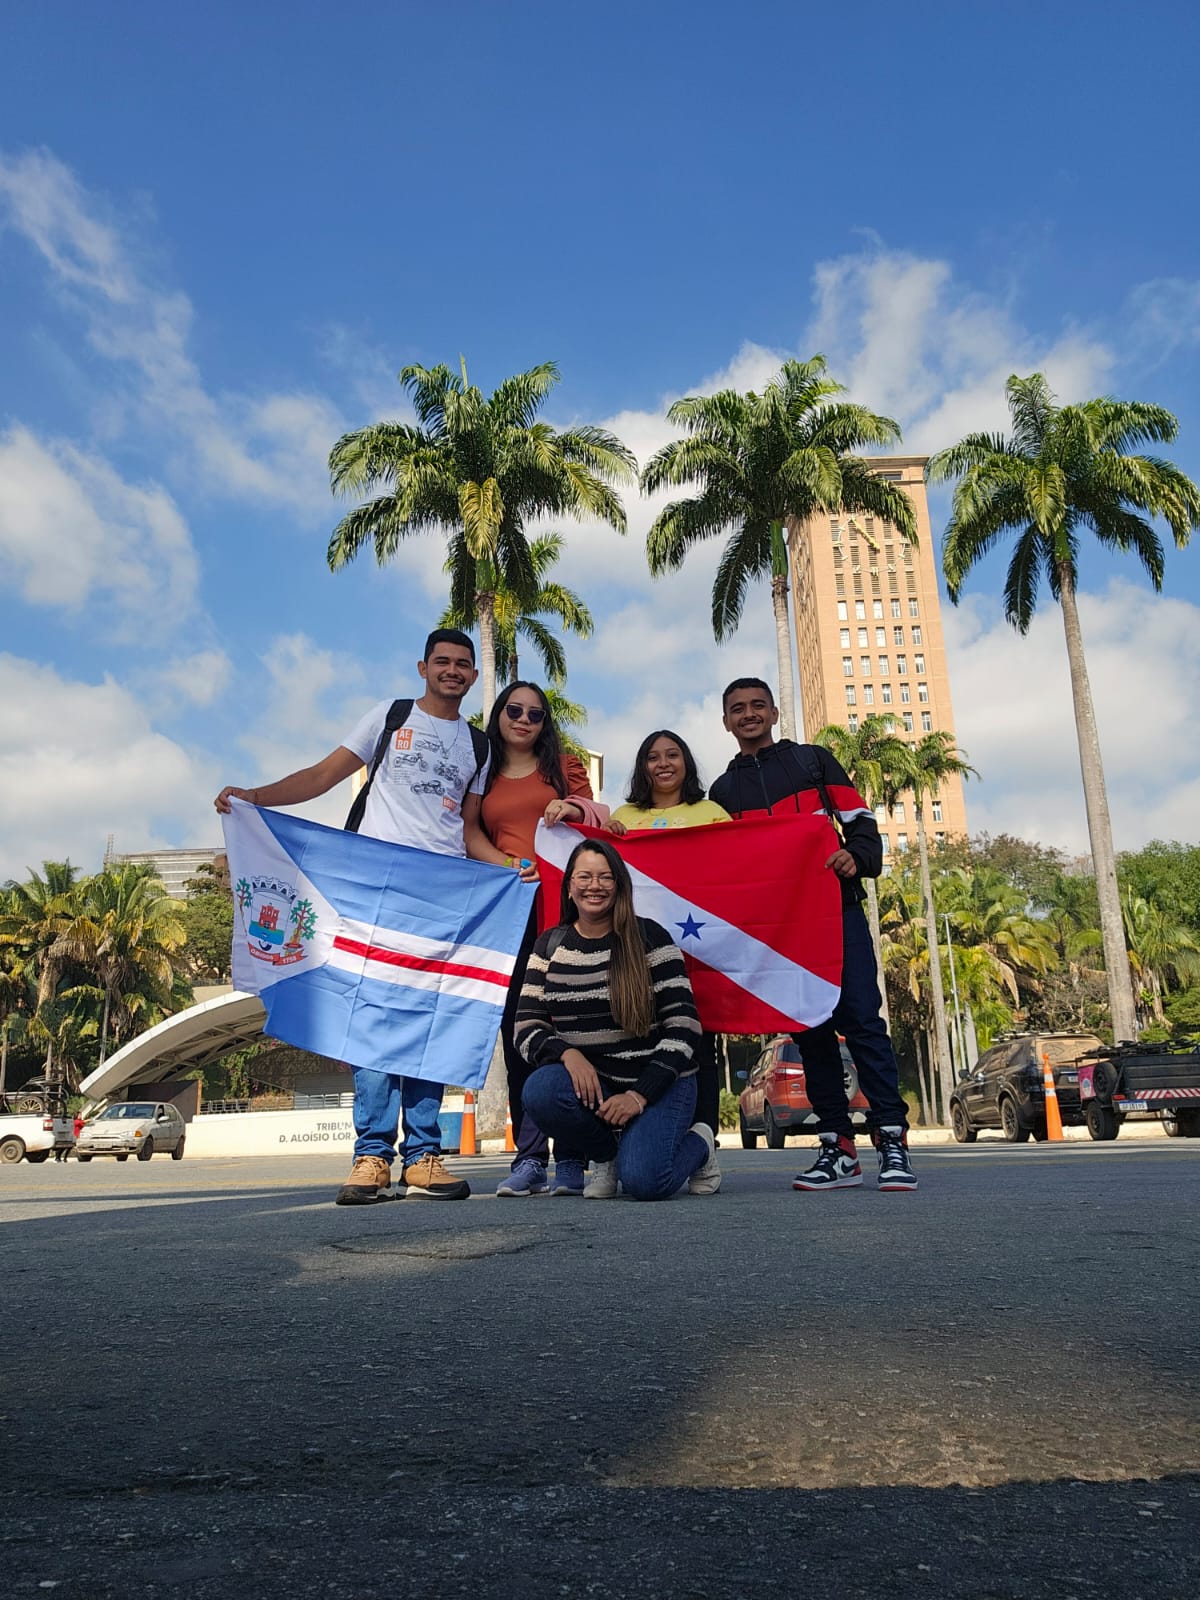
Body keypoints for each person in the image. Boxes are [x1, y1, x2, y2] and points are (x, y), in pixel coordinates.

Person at [215, 628, 496, 1207]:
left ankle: (424, 1158)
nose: (452, 671)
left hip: (441, 893)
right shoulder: (388, 717)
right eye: (441, 661)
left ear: (471, 676)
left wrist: (510, 865)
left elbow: (468, 830)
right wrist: (256, 797)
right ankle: (371, 1155)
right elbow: (322, 776)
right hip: (374, 884)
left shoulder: (480, 745)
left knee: (427, 1017)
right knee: (371, 1016)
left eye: (462, 665)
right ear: (423, 667)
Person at [708, 678, 917, 1193]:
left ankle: (891, 1140)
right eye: (738, 709)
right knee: (809, 1031)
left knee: (863, 1023)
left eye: (758, 705)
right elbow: (722, 865)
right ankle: (837, 1148)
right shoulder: (721, 792)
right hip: (778, 932)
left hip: (836, 913)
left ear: (775, 712)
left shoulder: (813, 762)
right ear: (726, 721)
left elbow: (862, 827)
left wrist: (857, 858)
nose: (749, 714)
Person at [517, 838, 721, 1200]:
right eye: (584, 877)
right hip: (595, 1086)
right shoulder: (549, 945)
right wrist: (568, 1054)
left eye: (605, 877)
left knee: (646, 1183)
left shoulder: (650, 938)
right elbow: (526, 1026)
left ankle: (700, 1143)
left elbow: (684, 1027)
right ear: (568, 887)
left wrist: (639, 1096)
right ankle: (605, 1156)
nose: (594, 886)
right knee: (540, 1090)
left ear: (621, 885)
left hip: (660, 1084)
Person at [470, 680, 610, 1198]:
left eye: (535, 713)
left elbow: (597, 817)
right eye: (515, 710)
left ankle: (572, 1156)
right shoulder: (481, 770)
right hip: (505, 911)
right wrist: (506, 864)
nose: (524, 720)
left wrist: (572, 809)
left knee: (570, 1021)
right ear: (500, 715)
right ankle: (529, 1158)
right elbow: (470, 832)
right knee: (518, 1030)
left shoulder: (563, 766)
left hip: (562, 909)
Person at [608, 729, 730, 1144]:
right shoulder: (623, 816)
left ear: (686, 762)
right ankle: (638, 1140)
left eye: (672, 755)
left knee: (699, 1044)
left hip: (700, 949)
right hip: (640, 953)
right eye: (653, 757)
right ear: (643, 767)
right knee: (642, 1043)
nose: (663, 764)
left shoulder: (711, 811)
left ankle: (703, 1142)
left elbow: (738, 869)